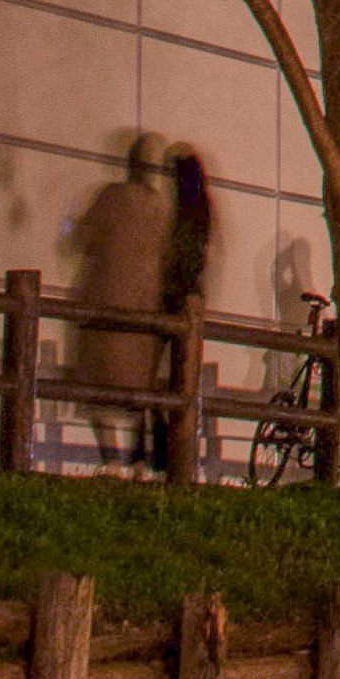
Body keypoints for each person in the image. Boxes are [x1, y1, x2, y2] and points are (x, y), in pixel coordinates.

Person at [69, 137, 168, 467]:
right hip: (144, 309)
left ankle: (110, 458)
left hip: (103, 305)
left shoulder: (110, 198)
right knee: (140, 387)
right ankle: (137, 459)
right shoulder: (161, 208)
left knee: (99, 385)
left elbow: (81, 237)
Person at [154, 146, 213, 468]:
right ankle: (169, 452)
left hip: (176, 297)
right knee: (177, 378)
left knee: (164, 377)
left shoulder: (186, 216)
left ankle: (165, 454)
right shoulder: (201, 212)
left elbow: (180, 257)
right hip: (188, 296)